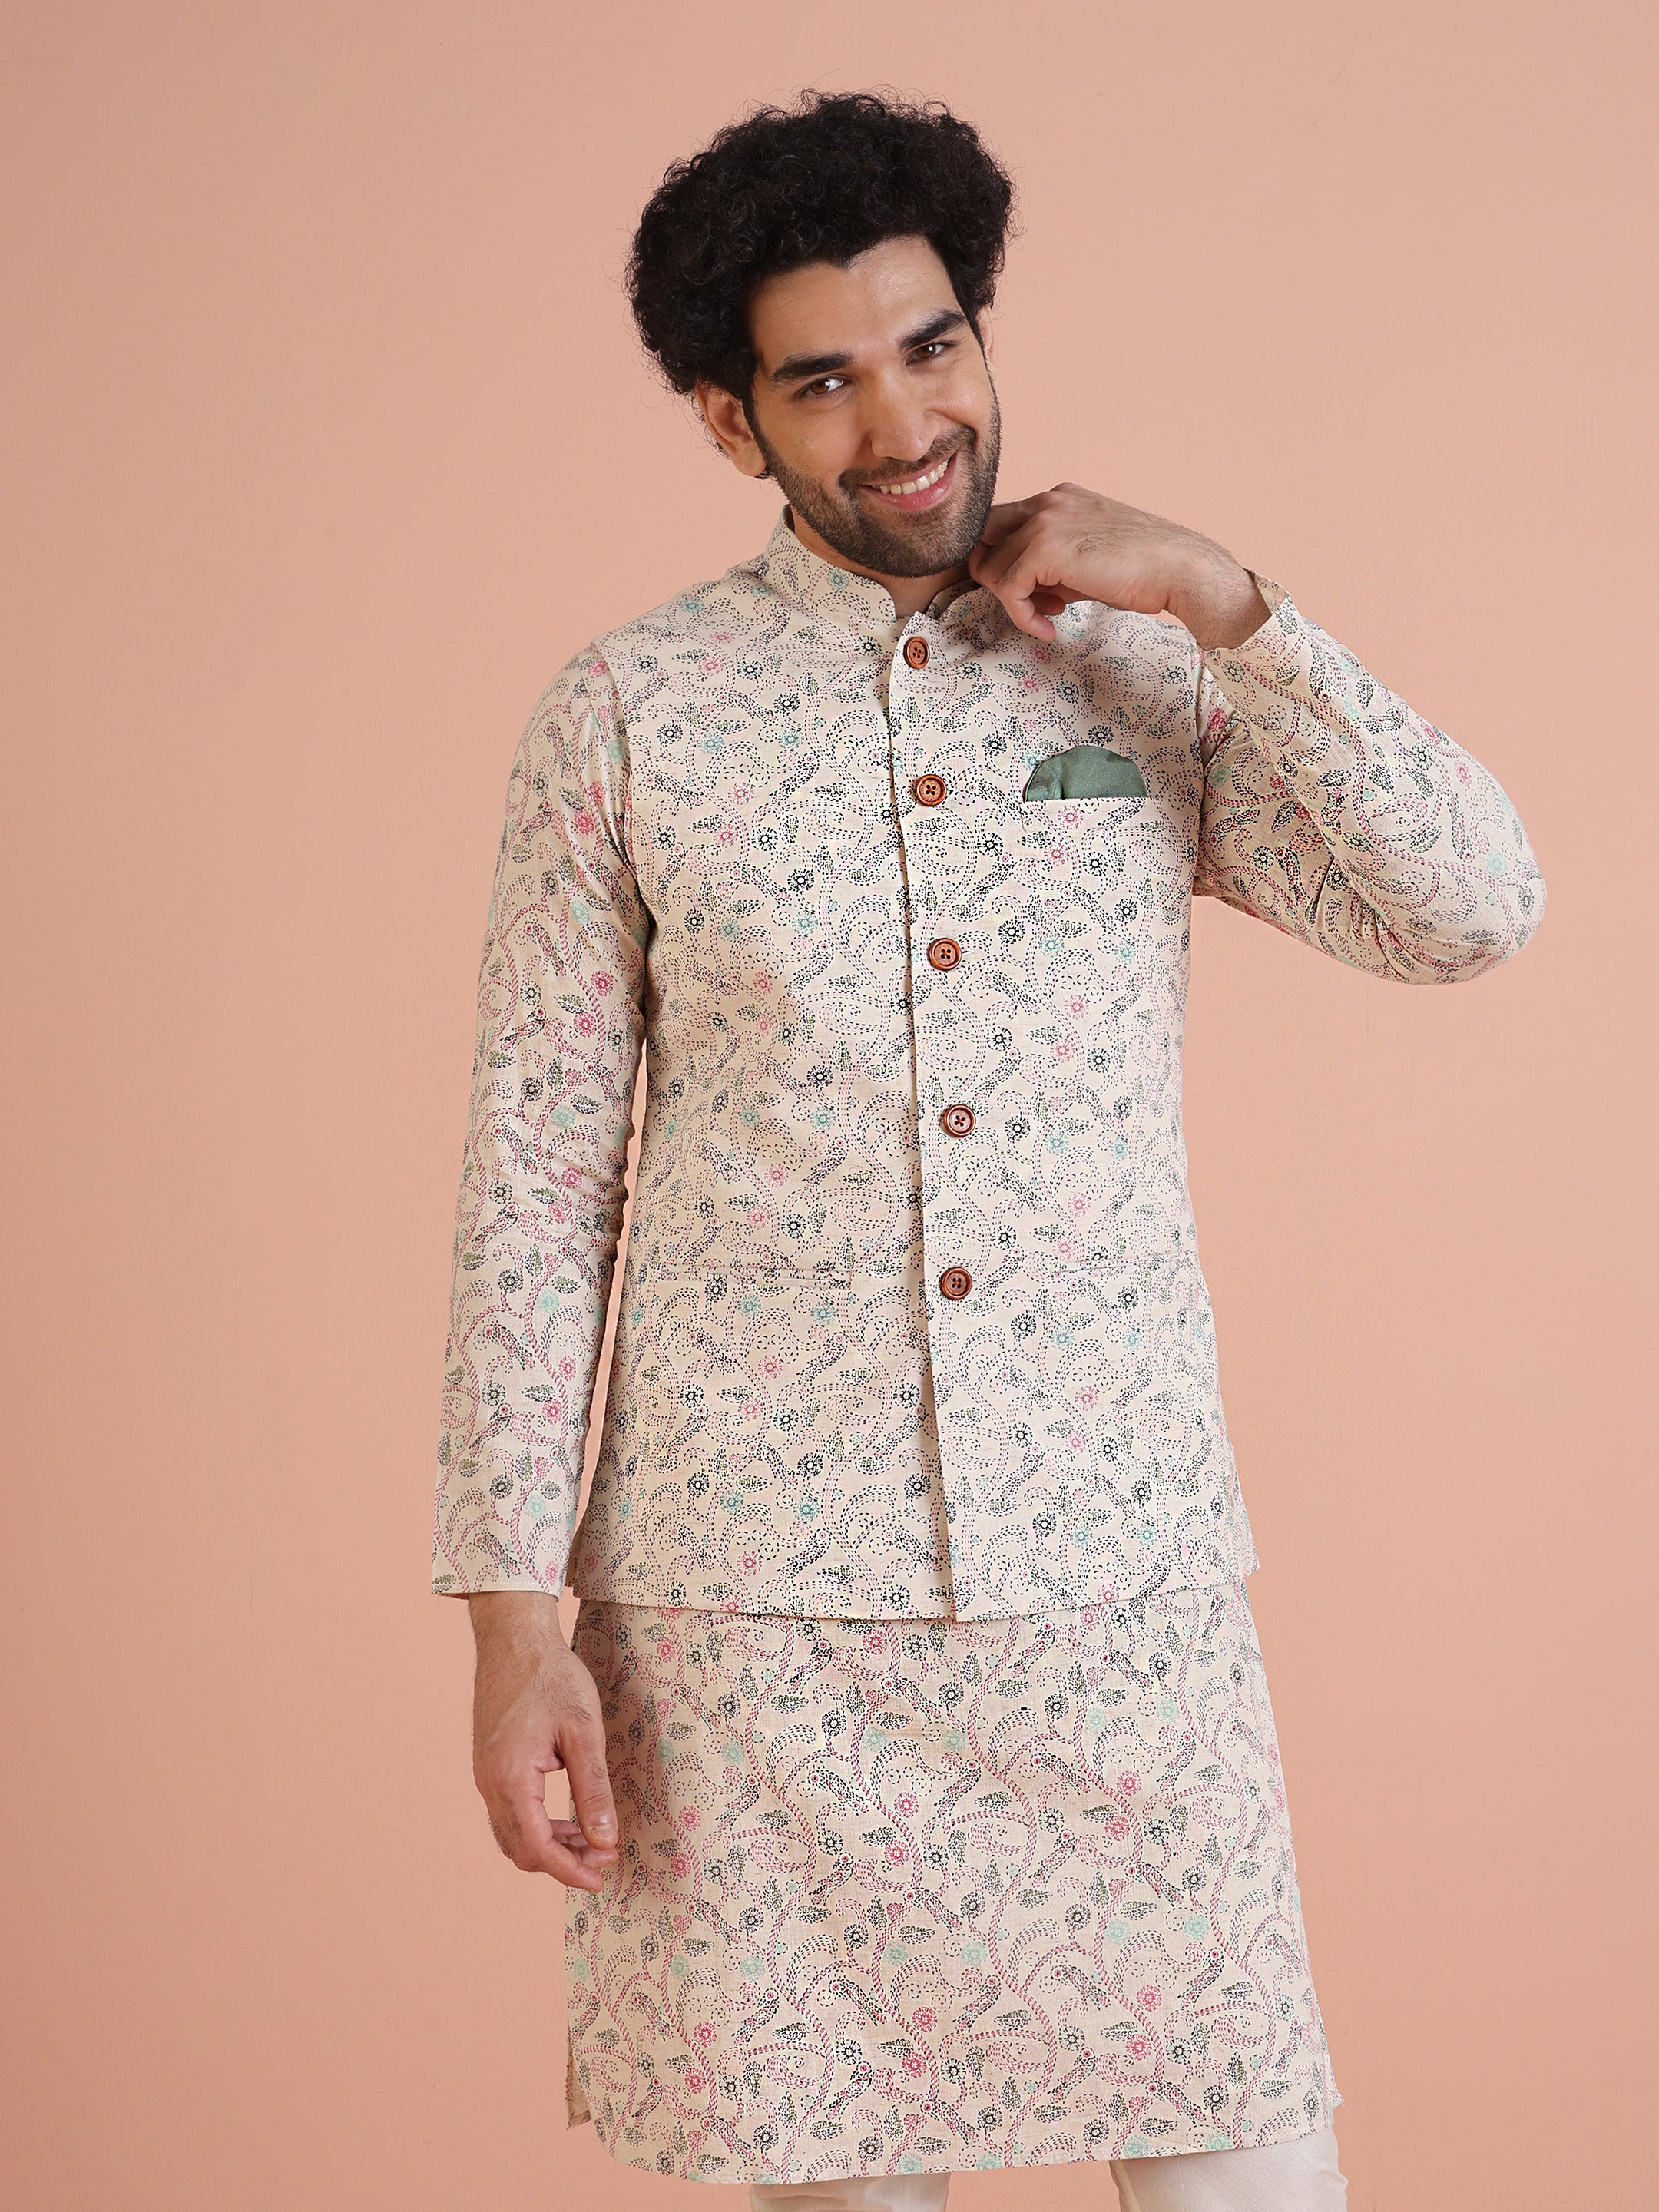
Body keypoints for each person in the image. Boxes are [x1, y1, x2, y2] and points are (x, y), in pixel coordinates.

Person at [432, 91, 1545, 2212]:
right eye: (822, 383)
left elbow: (1473, 909)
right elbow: (535, 1190)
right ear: (730, 423)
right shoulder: (631, 715)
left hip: (1116, 1574)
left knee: (1251, 2171)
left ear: (982, 332)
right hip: (757, 1626)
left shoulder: (1141, 669)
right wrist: (511, 1624)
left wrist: (1226, 600)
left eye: (930, 345)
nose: (902, 423)